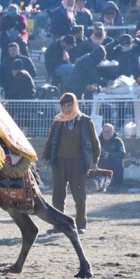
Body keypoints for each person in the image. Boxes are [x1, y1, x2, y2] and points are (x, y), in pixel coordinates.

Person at [41, 93, 101, 234]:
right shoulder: (57, 121)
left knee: (79, 195)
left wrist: (94, 162)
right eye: (64, 106)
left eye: (69, 105)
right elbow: (50, 142)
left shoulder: (85, 121)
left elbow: (95, 143)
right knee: (58, 196)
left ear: (74, 105)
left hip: (78, 163)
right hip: (59, 163)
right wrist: (45, 157)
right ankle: (59, 225)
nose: (67, 108)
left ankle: (80, 225)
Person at [98, 123, 125, 192]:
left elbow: (122, 153)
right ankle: (99, 185)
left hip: (114, 164)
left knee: (118, 164)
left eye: (109, 131)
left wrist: (109, 155)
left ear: (112, 132)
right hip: (101, 164)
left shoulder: (118, 141)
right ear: (102, 132)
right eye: (105, 131)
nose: (107, 134)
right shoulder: (97, 141)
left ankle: (117, 186)